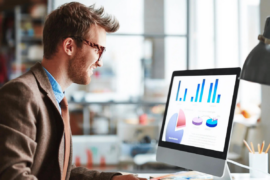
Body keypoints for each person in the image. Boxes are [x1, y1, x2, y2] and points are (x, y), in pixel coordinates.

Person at [0, 2, 147, 180]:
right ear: (69, 46)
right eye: (97, 49)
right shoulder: (21, 93)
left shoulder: (57, 98)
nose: (100, 61)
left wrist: (113, 179)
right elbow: (13, 176)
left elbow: (62, 172)